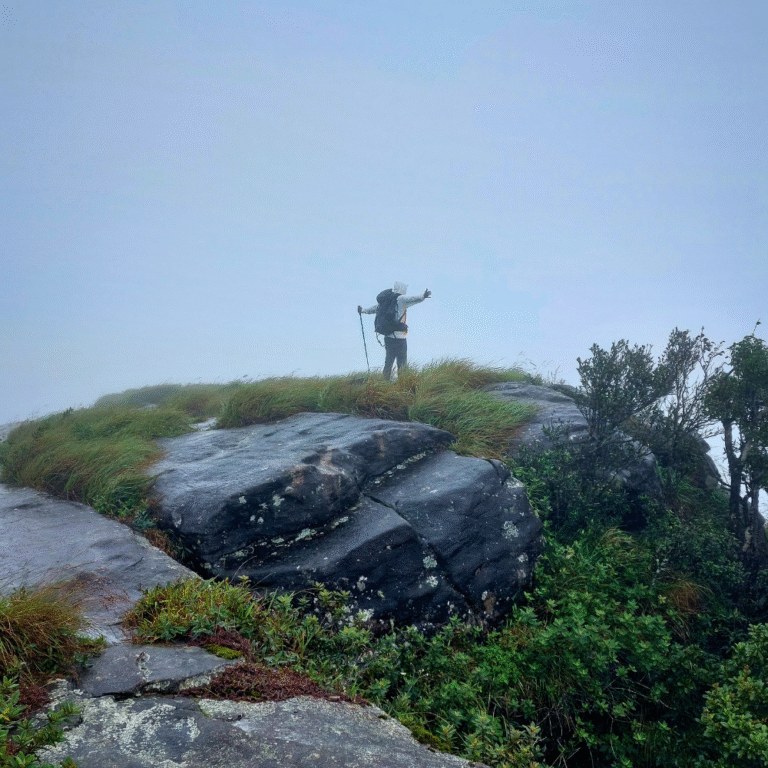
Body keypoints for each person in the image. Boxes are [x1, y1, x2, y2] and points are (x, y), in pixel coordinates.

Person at [358, 282, 431, 380]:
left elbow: (374, 309)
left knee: (388, 362)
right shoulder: (400, 299)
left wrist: (362, 310)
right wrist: (423, 296)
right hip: (400, 338)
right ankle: (402, 384)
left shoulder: (386, 301)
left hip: (388, 337)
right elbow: (413, 299)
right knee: (402, 364)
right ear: (402, 289)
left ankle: (385, 382)